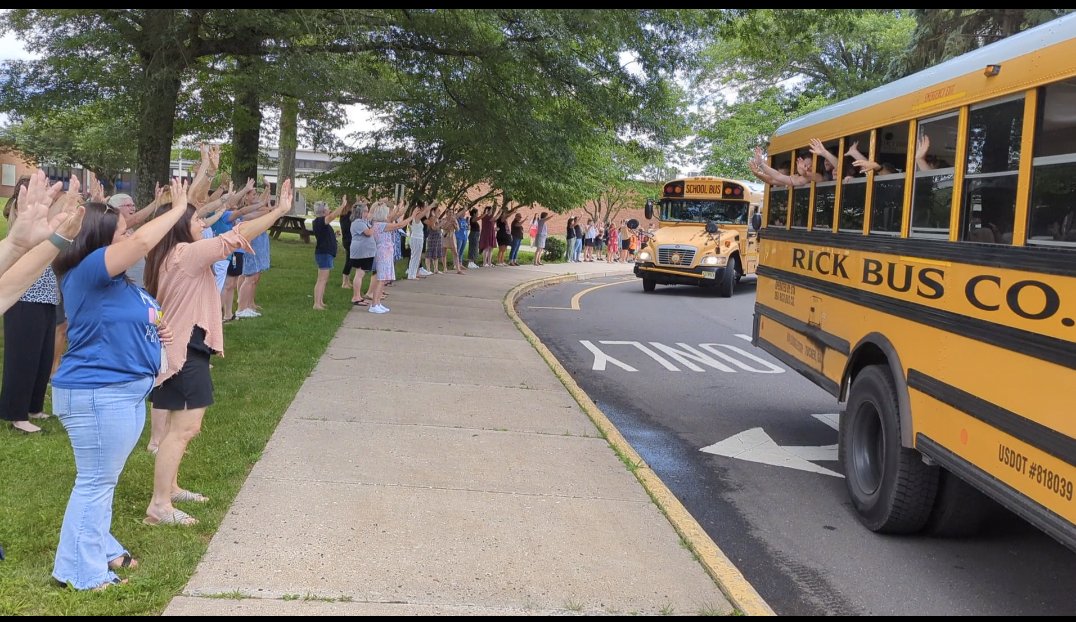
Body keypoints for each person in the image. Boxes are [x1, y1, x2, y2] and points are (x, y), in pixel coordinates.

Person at [49, 178, 188, 591]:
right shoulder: (89, 270)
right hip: (97, 393)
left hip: (120, 392)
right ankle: (79, 571)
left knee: (100, 479)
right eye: (121, 234)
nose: (129, 236)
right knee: (94, 482)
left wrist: (155, 333)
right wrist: (177, 209)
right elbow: (143, 243)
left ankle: (101, 545)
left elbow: (137, 317)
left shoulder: (116, 282)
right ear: (98, 242)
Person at [141, 180, 295, 528]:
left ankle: (171, 488)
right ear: (180, 227)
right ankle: (159, 505)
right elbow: (236, 235)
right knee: (185, 428)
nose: (203, 226)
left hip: (182, 348)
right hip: (184, 352)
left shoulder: (170, 255)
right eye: (197, 222)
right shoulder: (184, 255)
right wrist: (279, 211)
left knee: (179, 428)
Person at [366, 201, 413, 314]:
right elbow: (399, 225)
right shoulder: (381, 225)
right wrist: (412, 216)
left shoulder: (378, 223)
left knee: (383, 279)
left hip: (385, 252)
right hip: (383, 253)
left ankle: (377, 303)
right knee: (381, 279)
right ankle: (374, 304)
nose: (388, 215)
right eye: (386, 213)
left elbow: (393, 217)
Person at [311, 197, 347, 310]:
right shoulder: (320, 221)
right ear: (323, 211)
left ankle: (320, 301)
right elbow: (332, 216)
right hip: (324, 253)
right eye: (327, 209)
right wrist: (342, 205)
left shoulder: (321, 222)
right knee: (322, 279)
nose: (329, 210)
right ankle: (316, 304)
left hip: (325, 253)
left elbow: (325, 235)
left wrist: (334, 236)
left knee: (323, 279)